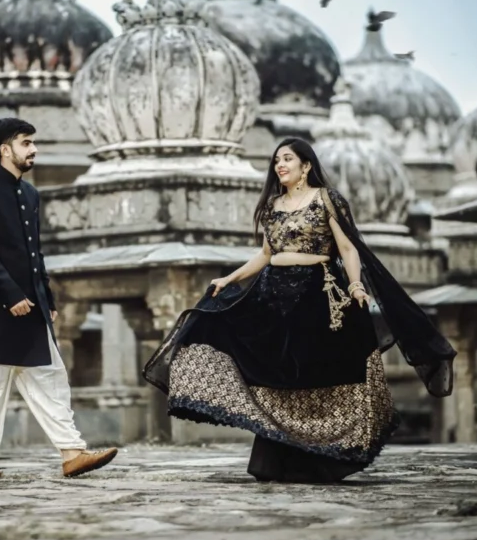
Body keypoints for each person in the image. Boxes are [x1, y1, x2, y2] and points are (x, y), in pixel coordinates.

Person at [143, 137, 456, 483]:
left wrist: (354, 285)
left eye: (287, 158)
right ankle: (277, 457)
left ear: (306, 165)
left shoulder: (326, 199)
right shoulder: (273, 205)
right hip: (272, 296)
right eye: (276, 160)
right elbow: (265, 255)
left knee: (310, 373)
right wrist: (230, 278)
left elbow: (348, 249)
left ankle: (322, 456)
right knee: (266, 367)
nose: (280, 165)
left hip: (315, 293)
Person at [0, 117, 118, 479]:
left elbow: (34, 253)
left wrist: (47, 297)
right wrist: (10, 294)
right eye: (26, 143)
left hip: (31, 306)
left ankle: (72, 452)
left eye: (33, 143)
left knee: (50, 376)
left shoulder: (30, 193)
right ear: (5, 149)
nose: (34, 149)